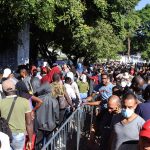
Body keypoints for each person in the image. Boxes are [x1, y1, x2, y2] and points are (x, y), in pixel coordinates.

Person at [0, 79, 33, 150]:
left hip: (4, 134)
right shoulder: (25, 102)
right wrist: (30, 141)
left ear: (3, 90)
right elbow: (29, 123)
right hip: (19, 135)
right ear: (15, 89)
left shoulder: (1, 103)